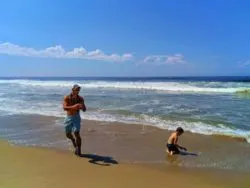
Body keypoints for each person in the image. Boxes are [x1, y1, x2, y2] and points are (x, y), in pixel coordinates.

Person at [63, 84, 86, 156]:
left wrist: (83, 107)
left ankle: (79, 150)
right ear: (72, 90)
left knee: (77, 133)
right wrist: (74, 107)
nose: (78, 91)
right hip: (69, 117)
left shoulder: (81, 98)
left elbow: (84, 110)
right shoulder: (67, 97)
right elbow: (64, 108)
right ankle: (73, 140)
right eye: (76, 89)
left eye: (78, 90)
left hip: (76, 117)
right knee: (68, 134)